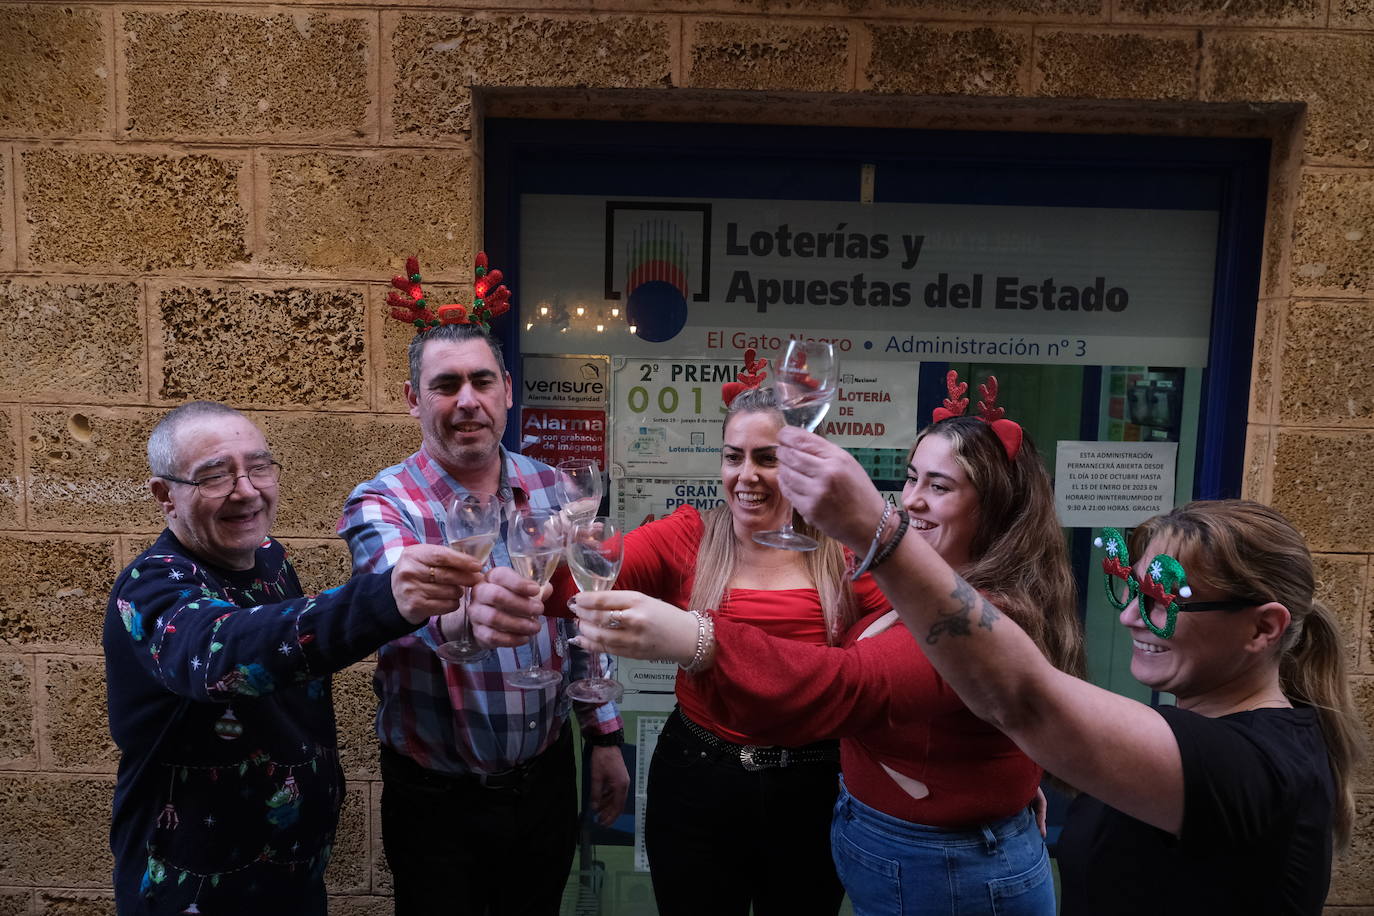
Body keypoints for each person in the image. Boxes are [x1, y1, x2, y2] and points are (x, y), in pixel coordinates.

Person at [769, 425, 1362, 915]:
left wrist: (879, 530)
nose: (1130, 616)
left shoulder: (1250, 768)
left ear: (1263, 628)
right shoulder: (1216, 740)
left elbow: (1026, 701)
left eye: (1161, 601)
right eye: (1127, 588)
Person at [571, 379, 1084, 915]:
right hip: (713, 777)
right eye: (911, 480)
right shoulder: (692, 535)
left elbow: (860, 685)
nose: (911, 501)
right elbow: (945, 705)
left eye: (939, 486)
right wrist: (1008, 775)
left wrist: (697, 637)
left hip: (848, 808)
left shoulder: (884, 570)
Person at [478, 375, 888, 915]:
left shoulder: (847, 555)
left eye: (767, 459)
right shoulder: (689, 534)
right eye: (733, 457)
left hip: (813, 785)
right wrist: (539, 565)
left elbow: (880, 675)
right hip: (699, 776)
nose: (746, 477)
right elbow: (586, 581)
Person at [105, 400, 477, 915]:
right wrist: (386, 598)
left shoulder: (271, 560)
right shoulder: (150, 588)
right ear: (166, 496)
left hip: (291, 881)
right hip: (191, 891)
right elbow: (223, 655)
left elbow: (292, 661)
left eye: (258, 467)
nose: (247, 490)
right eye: (215, 476)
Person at [337, 321, 629, 916]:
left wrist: (604, 736)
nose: (467, 399)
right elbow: (398, 591)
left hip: (545, 780)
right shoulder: (383, 502)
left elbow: (580, 623)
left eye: (481, 381)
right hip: (435, 800)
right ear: (413, 400)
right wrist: (465, 614)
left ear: (507, 391)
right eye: (445, 385)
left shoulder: (552, 488)